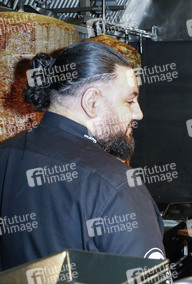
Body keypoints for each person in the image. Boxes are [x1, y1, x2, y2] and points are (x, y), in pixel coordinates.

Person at [0, 42, 165, 271]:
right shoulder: (115, 183)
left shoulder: (5, 154)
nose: (138, 114)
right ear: (92, 102)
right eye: (129, 101)